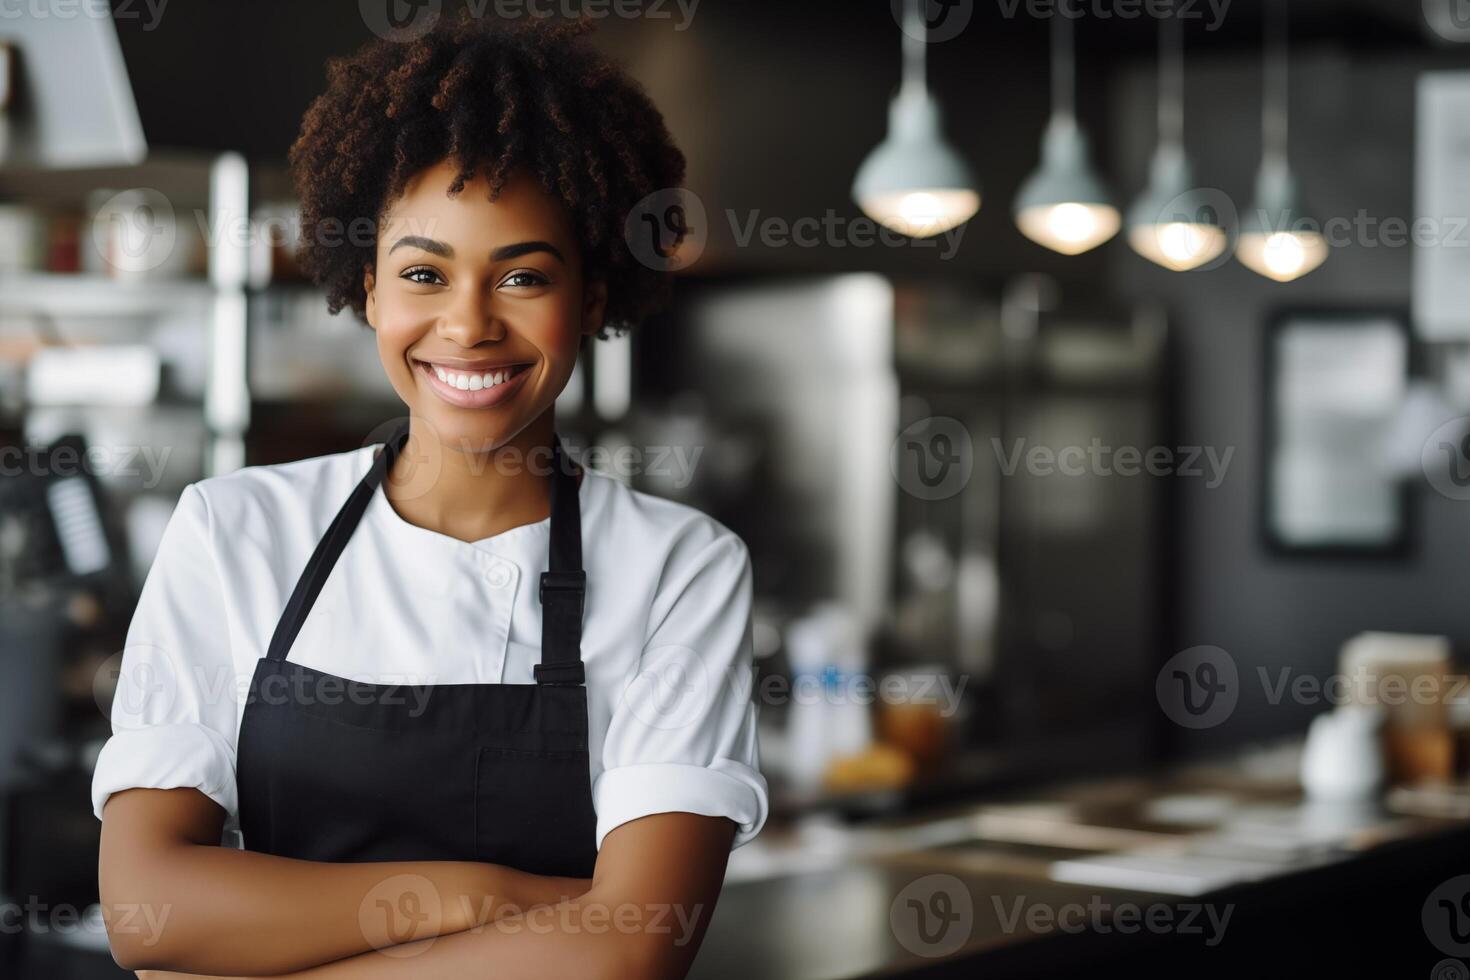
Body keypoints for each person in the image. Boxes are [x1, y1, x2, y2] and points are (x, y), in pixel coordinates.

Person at [93, 13, 767, 979]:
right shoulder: (234, 530)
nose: (468, 325)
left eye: (523, 276)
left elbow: (629, 951)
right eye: (423, 273)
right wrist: (481, 897)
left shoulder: (679, 568)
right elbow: (149, 913)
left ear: (593, 298)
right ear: (368, 289)